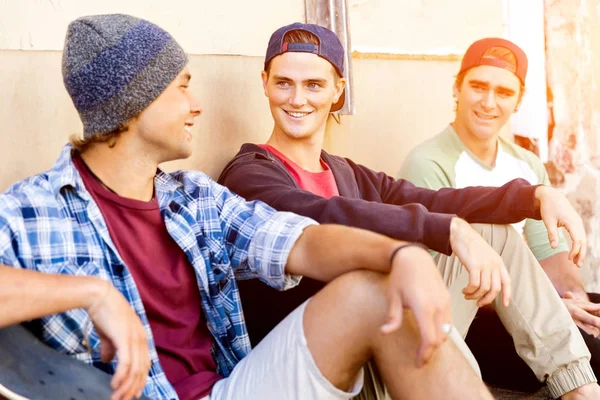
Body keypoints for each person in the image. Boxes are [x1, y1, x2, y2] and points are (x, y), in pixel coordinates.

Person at [0, 14, 495, 400]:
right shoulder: (33, 210)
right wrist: (91, 293)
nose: (197, 104)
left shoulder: (193, 198)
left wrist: (400, 255)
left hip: (231, 390)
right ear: (133, 105)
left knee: (371, 291)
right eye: (182, 87)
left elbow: (304, 238)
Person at [218, 22, 600, 399]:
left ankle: (579, 388)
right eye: (284, 82)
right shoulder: (250, 174)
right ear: (265, 82)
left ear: (338, 91)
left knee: (491, 232)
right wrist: (448, 230)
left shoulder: (343, 171)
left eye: (314, 85)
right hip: (324, 368)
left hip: (384, 350)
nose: (297, 99)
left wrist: (533, 196)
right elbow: (323, 215)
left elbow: (433, 199)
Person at [398, 37, 600, 391]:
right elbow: (441, 281)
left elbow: (549, 250)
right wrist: (549, 314)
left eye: (504, 92)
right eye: (478, 87)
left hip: (534, 306)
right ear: (457, 89)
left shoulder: (526, 163)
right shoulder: (428, 162)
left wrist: (574, 302)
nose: (489, 103)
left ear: (518, 101)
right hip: (476, 319)